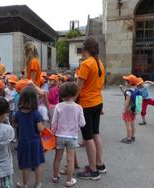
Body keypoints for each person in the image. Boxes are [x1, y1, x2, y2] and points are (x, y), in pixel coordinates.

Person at [76, 37, 106, 180]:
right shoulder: (99, 62)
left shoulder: (86, 64)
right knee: (95, 134)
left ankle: (93, 170)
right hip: (97, 101)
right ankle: (99, 164)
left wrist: (69, 100)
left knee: (88, 138)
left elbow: (78, 87)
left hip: (87, 104)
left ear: (85, 49)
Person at [51, 82, 86, 187]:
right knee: (70, 160)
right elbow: (82, 123)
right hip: (72, 137)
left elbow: (54, 123)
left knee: (57, 157)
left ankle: (55, 176)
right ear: (76, 94)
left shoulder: (58, 106)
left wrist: (53, 134)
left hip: (60, 135)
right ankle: (69, 180)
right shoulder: (79, 107)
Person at [14, 87, 45, 188]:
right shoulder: (36, 114)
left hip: (23, 142)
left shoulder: (18, 113)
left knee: (25, 165)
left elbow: (15, 125)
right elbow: (40, 129)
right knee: (37, 163)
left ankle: (24, 184)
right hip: (35, 142)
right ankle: (38, 183)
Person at [120, 75, 140, 144]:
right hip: (133, 110)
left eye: (126, 81)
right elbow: (127, 96)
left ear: (130, 83)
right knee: (132, 124)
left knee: (128, 125)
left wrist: (124, 110)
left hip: (128, 110)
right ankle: (132, 136)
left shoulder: (128, 91)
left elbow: (127, 101)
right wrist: (122, 89)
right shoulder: (135, 89)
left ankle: (128, 139)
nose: (125, 83)